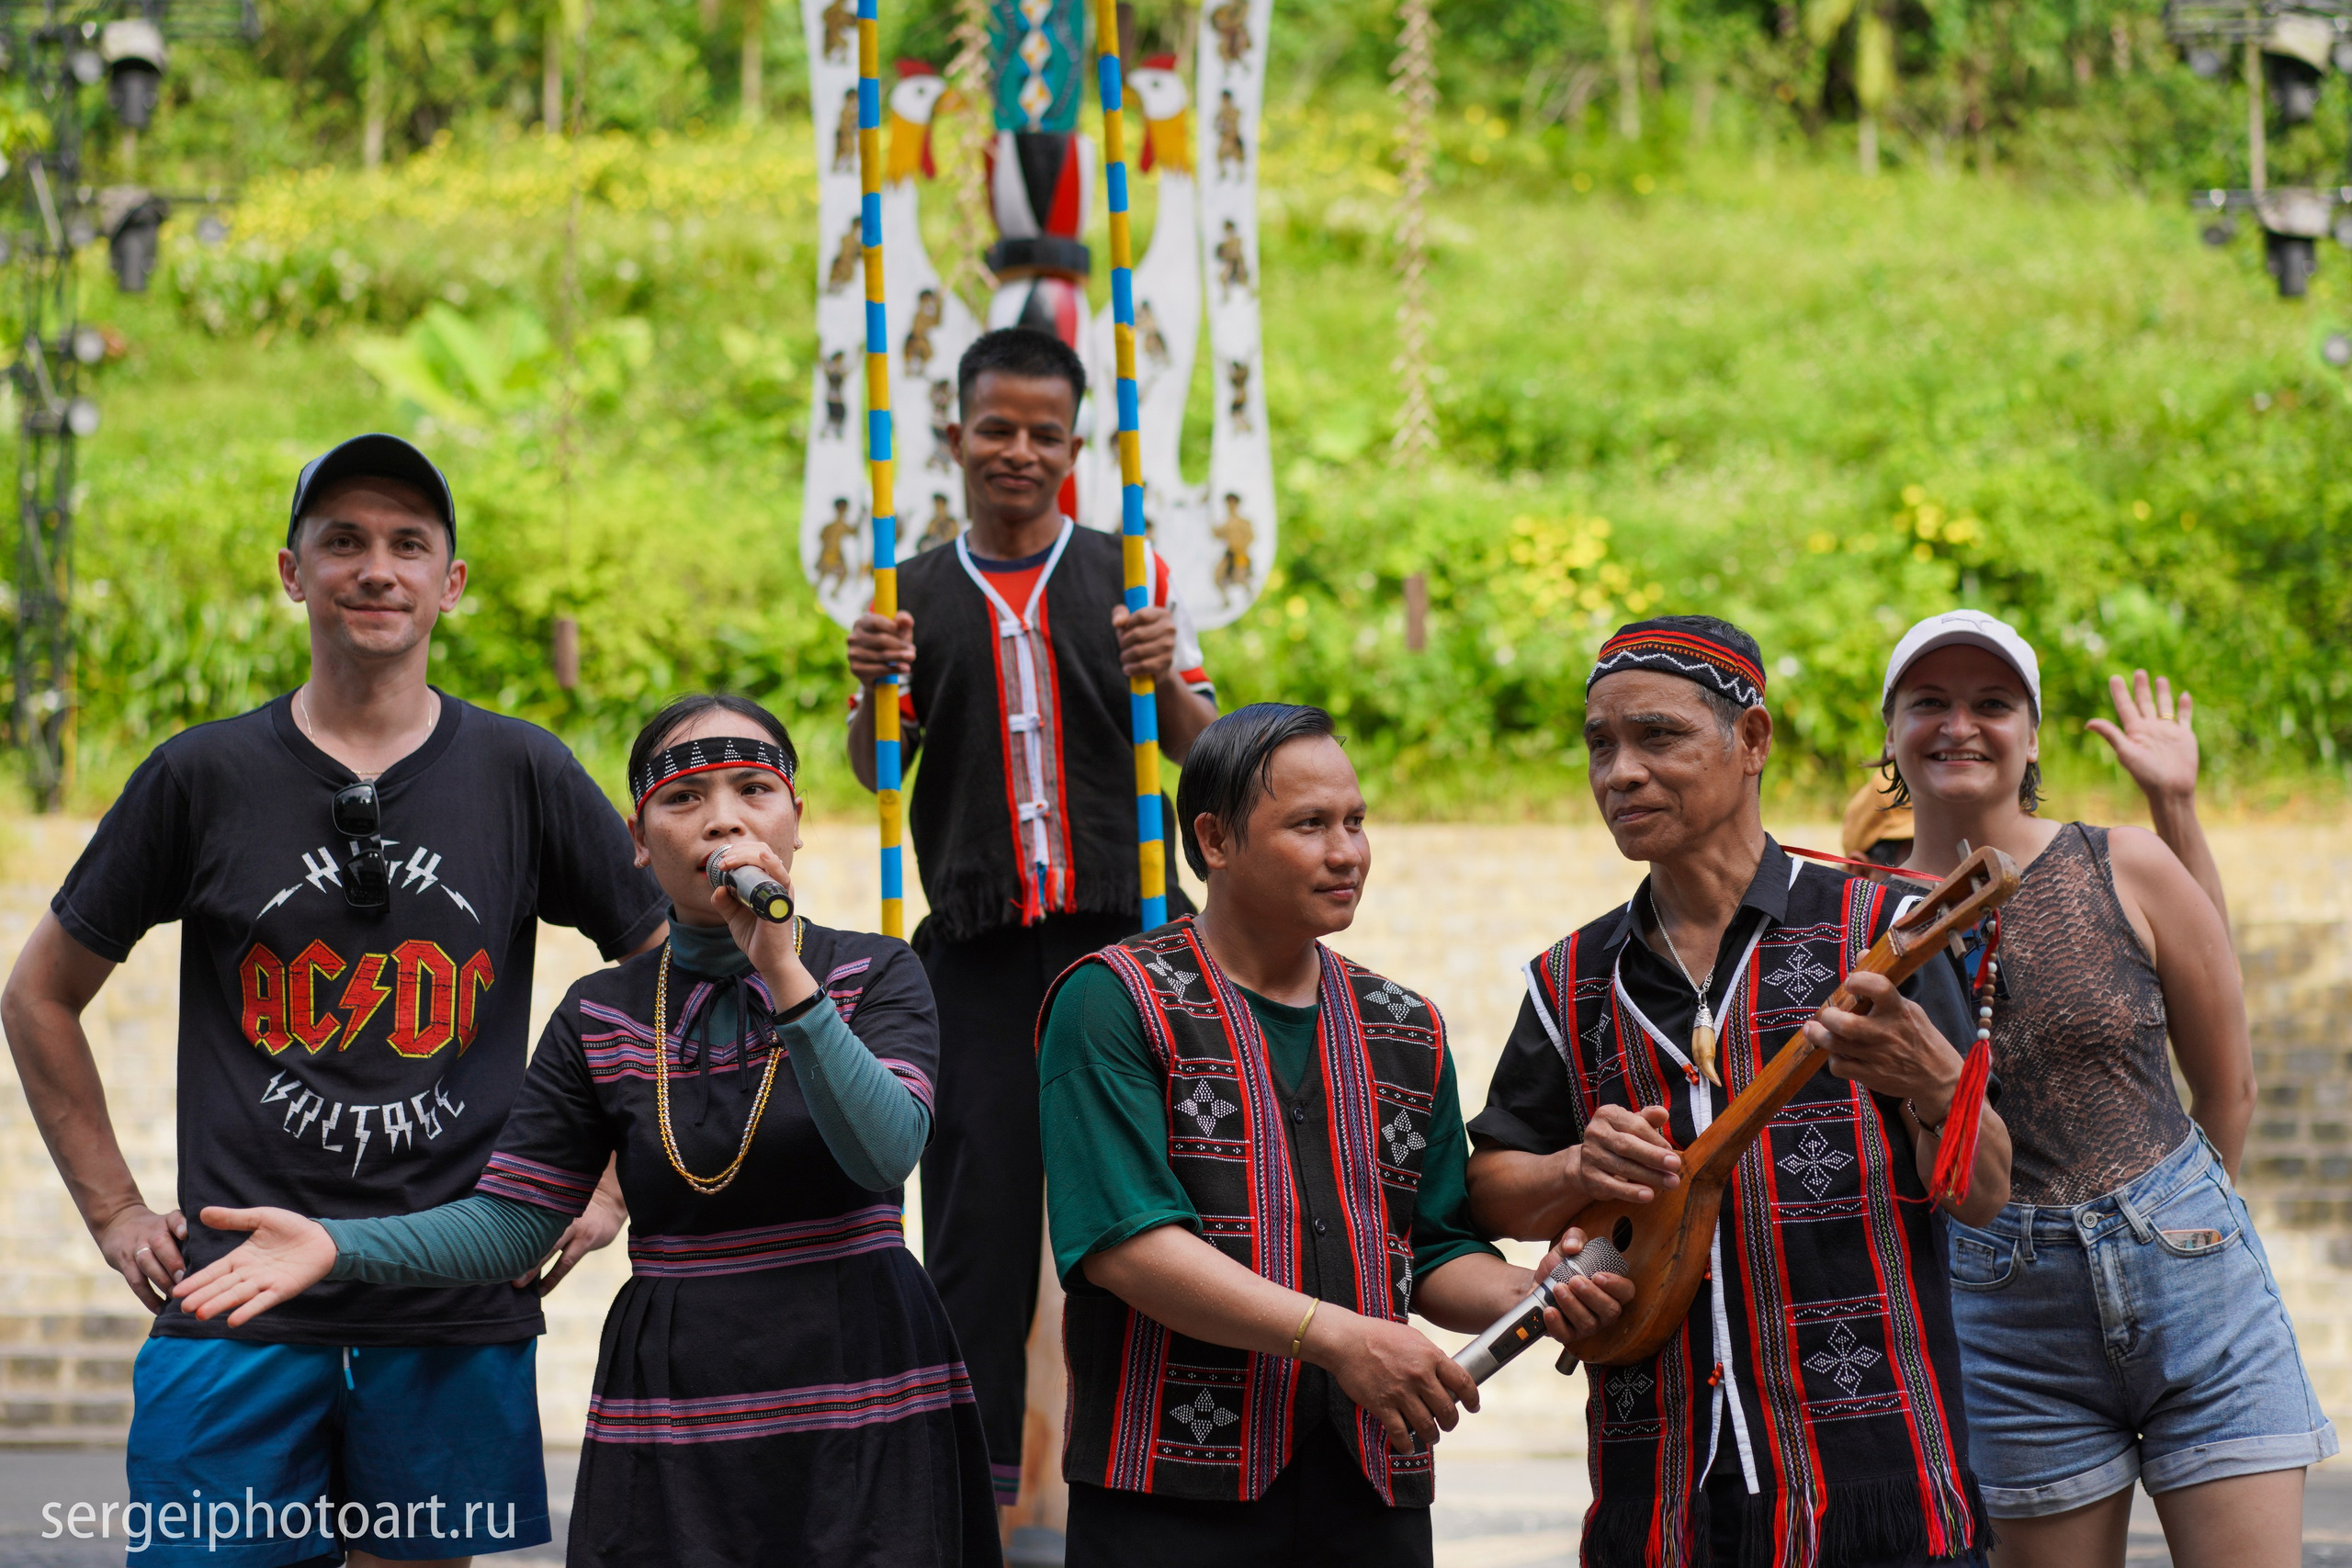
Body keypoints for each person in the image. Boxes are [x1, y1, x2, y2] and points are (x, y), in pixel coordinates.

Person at [1, 434, 665, 1568]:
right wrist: (114, 1211)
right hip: (236, 1304)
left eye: (410, 545)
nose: (377, 569)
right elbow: (39, 994)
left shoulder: (522, 772)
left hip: (448, 1298)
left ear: (449, 584)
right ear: (290, 570)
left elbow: (668, 967)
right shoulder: (202, 777)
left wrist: (609, 1182)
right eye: (343, 541)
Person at [169, 694, 1001, 1568]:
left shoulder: (877, 970)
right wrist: (336, 1246)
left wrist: (782, 968)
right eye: (684, 798)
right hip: (676, 1395)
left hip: (861, 1378)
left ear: (796, 821)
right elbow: (512, 1225)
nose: (722, 816)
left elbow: (886, 1148)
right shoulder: (598, 1014)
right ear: (638, 843)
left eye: (754, 788)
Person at [1465, 615, 2010, 1568]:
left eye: (1658, 737)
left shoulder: (1881, 927)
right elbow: (1493, 1185)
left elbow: (1985, 1189)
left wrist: (1930, 1079)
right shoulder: (1571, 980)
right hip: (1659, 1494)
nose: (1619, 773)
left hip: (1873, 1486)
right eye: (1600, 746)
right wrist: (1570, 1168)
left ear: (1751, 741)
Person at [1035, 703, 1623, 1567]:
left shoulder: (1405, 1024)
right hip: (1167, 1484)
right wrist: (1342, 1336)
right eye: (1309, 824)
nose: (1347, 852)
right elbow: (1127, 1244)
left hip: (1372, 1480)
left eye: (1355, 821)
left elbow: (1431, 1249)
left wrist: (1535, 1297)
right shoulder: (1112, 1000)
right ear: (1215, 840)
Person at [844, 325, 1220, 1508]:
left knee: (1152, 1200)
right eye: (995, 428)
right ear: (953, 435)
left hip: (1127, 937)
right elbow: (873, 767)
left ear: (1075, 449)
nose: (1018, 450)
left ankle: (1159, 1458)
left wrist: (1167, 678)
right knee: (975, 1215)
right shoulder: (907, 596)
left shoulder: (1133, 578)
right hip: (977, 946)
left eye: (1044, 434)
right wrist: (870, 688)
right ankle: (971, 1479)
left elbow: (1214, 764)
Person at [1876, 610, 2331, 1568]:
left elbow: (2228, 1082)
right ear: (1889, 734)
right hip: (1998, 1317)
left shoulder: (2121, 861)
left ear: (2031, 735)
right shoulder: (1852, 911)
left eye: (1992, 704)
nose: (1960, 724)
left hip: (2192, 1279)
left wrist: (2191, 1235)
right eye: (1929, 703)